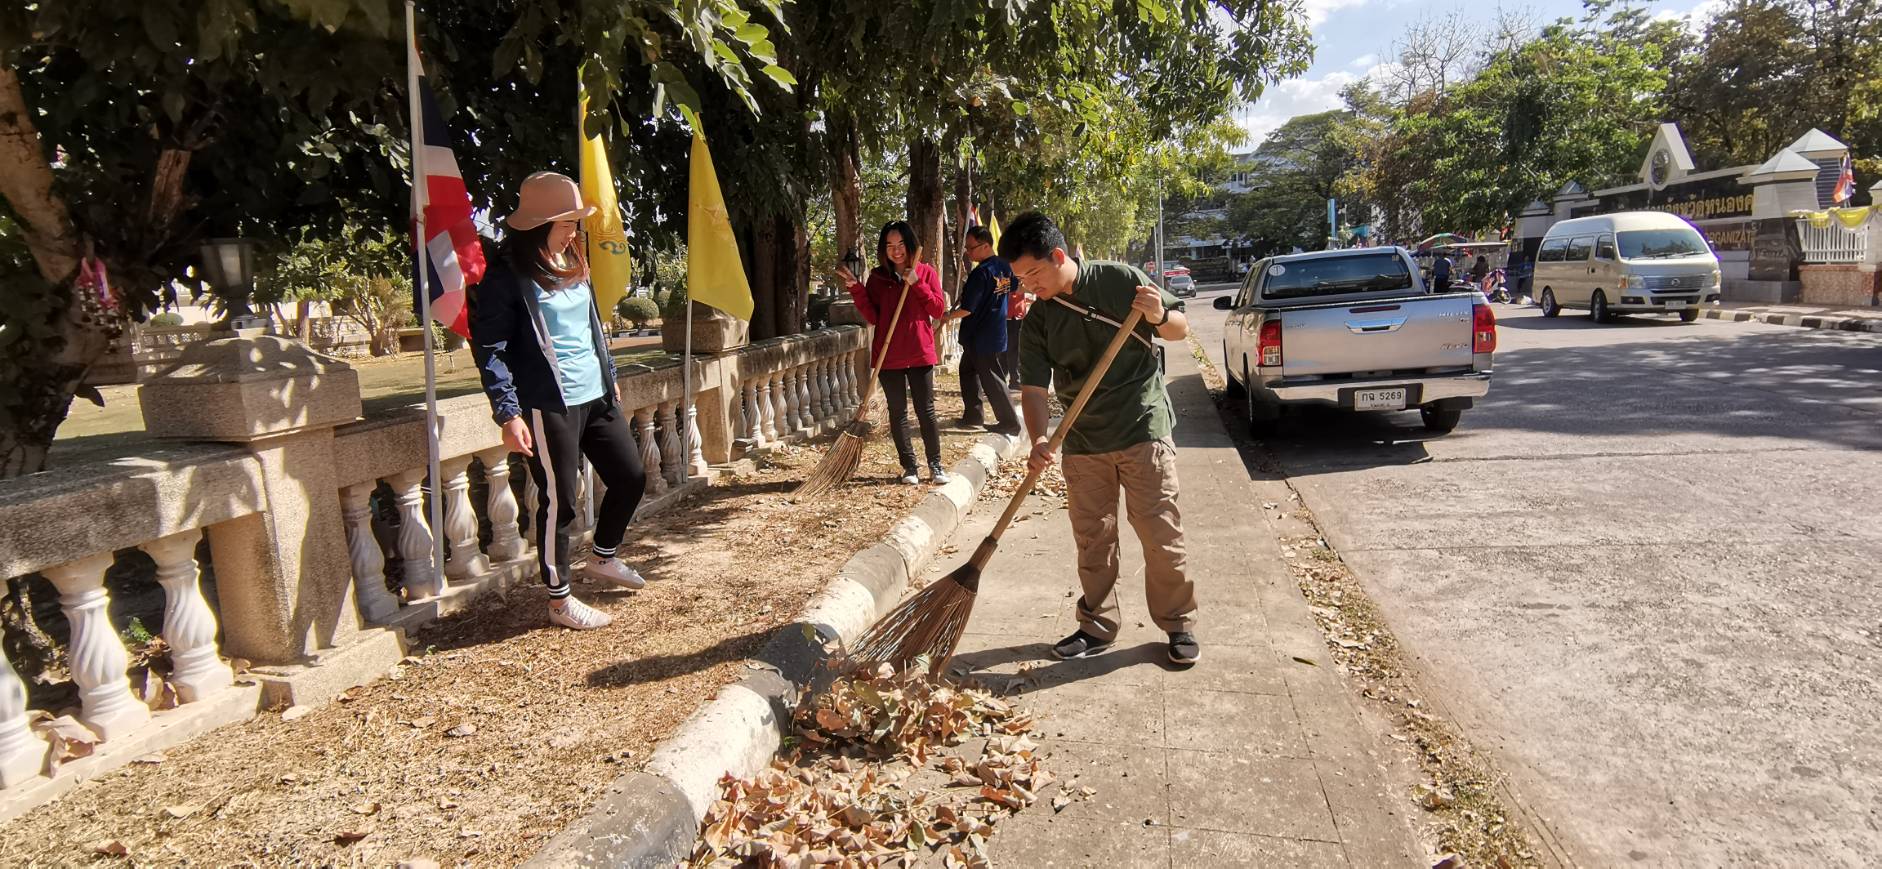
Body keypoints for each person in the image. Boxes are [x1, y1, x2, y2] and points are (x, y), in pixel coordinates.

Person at [999, 211, 1200, 667]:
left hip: (1142, 428)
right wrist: (1039, 439)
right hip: (1083, 439)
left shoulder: (1118, 280)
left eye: (1033, 273)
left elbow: (1179, 329)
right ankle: (1097, 625)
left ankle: (1177, 623)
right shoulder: (1039, 320)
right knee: (1093, 538)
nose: (1029, 285)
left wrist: (1158, 313)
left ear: (1058, 255)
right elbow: (1033, 389)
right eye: (1020, 278)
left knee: (1160, 532)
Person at [470, 171, 648, 631]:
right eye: (567, 222)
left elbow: (589, 328)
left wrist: (610, 377)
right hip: (550, 402)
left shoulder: (572, 261)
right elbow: (489, 348)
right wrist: (508, 412)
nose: (574, 230)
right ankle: (559, 600)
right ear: (538, 224)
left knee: (630, 476)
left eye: (574, 222)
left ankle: (604, 557)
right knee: (560, 502)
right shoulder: (506, 276)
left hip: (596, 396)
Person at [836, 220, 950, 485]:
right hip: (889, 356)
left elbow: (937, 310)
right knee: (898, 413)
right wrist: (856, 288)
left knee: (926, 411)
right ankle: (910, 467)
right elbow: (873, 316)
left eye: (900, 244)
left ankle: (935, 465)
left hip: (920, 352)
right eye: (890, 246)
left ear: (910, 245)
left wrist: (917, 283)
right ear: (883, 249)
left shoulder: (926, 272)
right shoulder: (878, 278)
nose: (896, 251)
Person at [944, 226, 1022, 436]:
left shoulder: (981, 273)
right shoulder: (1005, 266)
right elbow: (1014, 287)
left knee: (992, 379)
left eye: (971, 248)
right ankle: (973, 416)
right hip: (995, 330)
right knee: (968, 372)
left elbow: (968, 309)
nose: (968, 252)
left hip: (980, 335)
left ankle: (1010, 422)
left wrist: (945, 317)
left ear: (986, 245)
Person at [1003, 280, 1034, 390]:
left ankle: (1012, 379)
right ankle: (1012, 380)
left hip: (1018, 316)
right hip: (1008, 317)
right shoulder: (1006, 278)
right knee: (1010, 350)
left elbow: (1019, 294)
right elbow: (1017, 290)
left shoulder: (1020, 278)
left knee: (1015, 350)